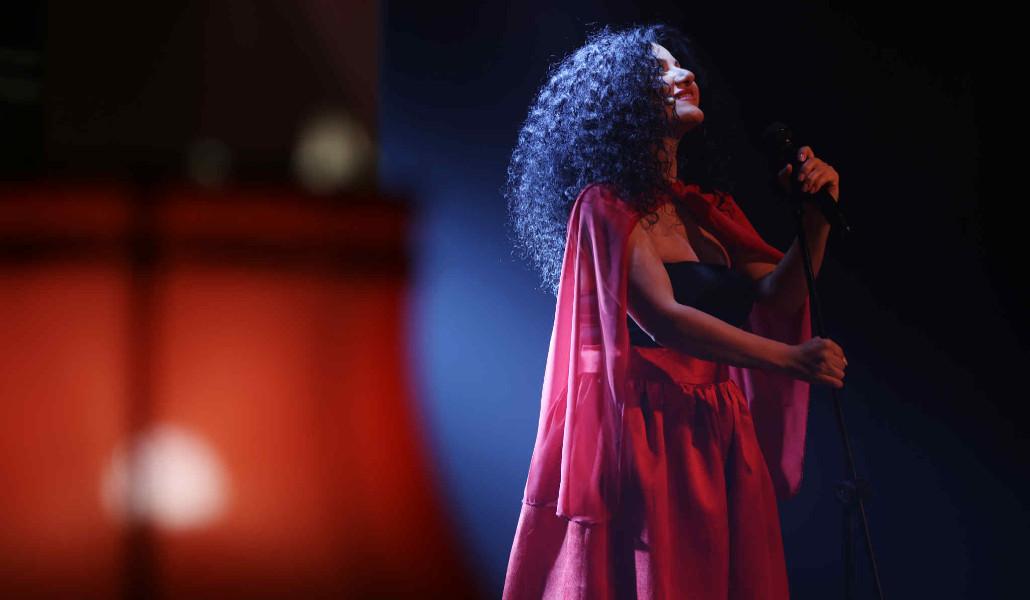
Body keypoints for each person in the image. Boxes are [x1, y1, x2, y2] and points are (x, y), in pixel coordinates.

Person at [502, 23, 847, 600]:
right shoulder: (605, 205)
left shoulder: (707, 209)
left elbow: (779, 297)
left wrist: (816, 218)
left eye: (681, 65)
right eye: (659, 71)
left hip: (717, 426)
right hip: (645, 429)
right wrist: (789, 360)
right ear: (623, 101)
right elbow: (664, 318)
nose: (684, 74)